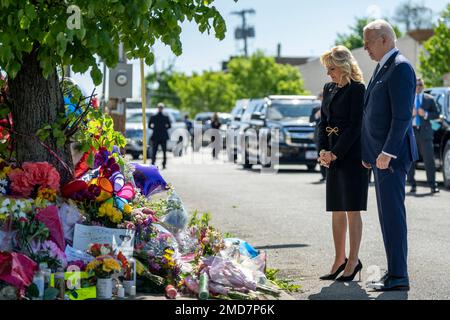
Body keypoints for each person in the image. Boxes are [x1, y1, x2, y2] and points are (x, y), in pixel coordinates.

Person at [361, 20, 418, 291]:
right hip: (380, 157)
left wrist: (386, 152)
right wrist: (369, 153)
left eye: (368, 42)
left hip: (391, 158)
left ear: (384, 39)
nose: (365, 48)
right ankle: (394, 271)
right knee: (386, 217)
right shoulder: (383, 66)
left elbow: (402, 116)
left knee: (393, 216)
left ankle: (399, 277)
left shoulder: (401, 67)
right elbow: (371, 113)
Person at [317, 45, 369, 282]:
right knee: (336, 208)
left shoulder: (358, 89)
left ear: (344, 66)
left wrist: (336, 153)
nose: (329, 73)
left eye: (332, 68)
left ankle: (353, 260)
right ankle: (339, 259)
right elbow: (322, 122)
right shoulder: (328, 88)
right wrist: (323, 150)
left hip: (351, 155)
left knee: (351, 209)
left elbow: (356, 125)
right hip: (331, 154)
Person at [407, 78, 440, 194]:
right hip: (412, 132)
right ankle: (412, 184)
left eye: (420, 84)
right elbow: (399, 113)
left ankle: (433, 185)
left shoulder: (429, 99)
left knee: (429, 160)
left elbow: (437, 114)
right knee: (411, 160)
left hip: (425, 133)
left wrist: (425, 114)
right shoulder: (408, 98)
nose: (418, 86)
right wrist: (410, 114)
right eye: (416, 84)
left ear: (423, 85)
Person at [310, 91, 326, 182]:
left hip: (329, 133)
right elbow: (311, 119)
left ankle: (329, 175)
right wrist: (318, 114)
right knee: (320, 153)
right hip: (318, 134)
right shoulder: (316, 108)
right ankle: (323, 175)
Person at [149, 103, 171, 169]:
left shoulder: (153, 116)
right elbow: (169, 126)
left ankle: (153, 163)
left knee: (154, 150)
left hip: (156, 135)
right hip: (163, 136)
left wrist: (155, 128)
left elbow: (149, 126)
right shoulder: (166, 117)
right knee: (164, 151)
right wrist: (164, 129)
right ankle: (164, 164)